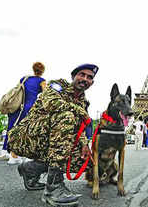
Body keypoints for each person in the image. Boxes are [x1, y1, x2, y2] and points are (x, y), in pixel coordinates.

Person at [8, 63, 98, 207]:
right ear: (73, 76)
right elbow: (52, 103)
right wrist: (80, 111)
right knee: (66, 117)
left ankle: (31, 169)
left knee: (82, 160)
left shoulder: (83, 101)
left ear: (92, 83)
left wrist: (84, 144)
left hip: (51, 138)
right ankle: (53, 188)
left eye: (89, 77)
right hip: (27, 136)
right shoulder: (57, 85)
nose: (85, 79)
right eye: (82, 74)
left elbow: (78, 127)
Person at [0, 62, 46, 164]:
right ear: (42, 71)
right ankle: (28, 155)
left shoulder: (24, 78)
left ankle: (10, 153)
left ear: (33, 69)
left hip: (17, 107)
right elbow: (46, 94)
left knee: (12, 129)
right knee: (29, 131)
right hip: (30, 107)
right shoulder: (41, 81)